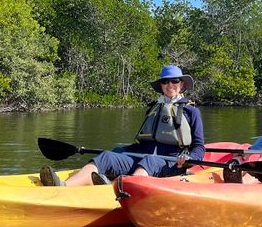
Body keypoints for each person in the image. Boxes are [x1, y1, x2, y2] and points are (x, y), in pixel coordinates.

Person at [40, 65, 205, 186]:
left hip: (171, 162)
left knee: (150, 161)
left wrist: (189, 159)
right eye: (165, 82)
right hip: (142, 156)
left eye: (174, 81)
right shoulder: (154, 107)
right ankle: (64, 187)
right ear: (161, 86)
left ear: (182, 84)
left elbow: (199, 147)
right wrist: (121, 150)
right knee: (107, 155)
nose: (170, 85)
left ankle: (123, 190)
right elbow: (144, 142)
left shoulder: (191, 111)